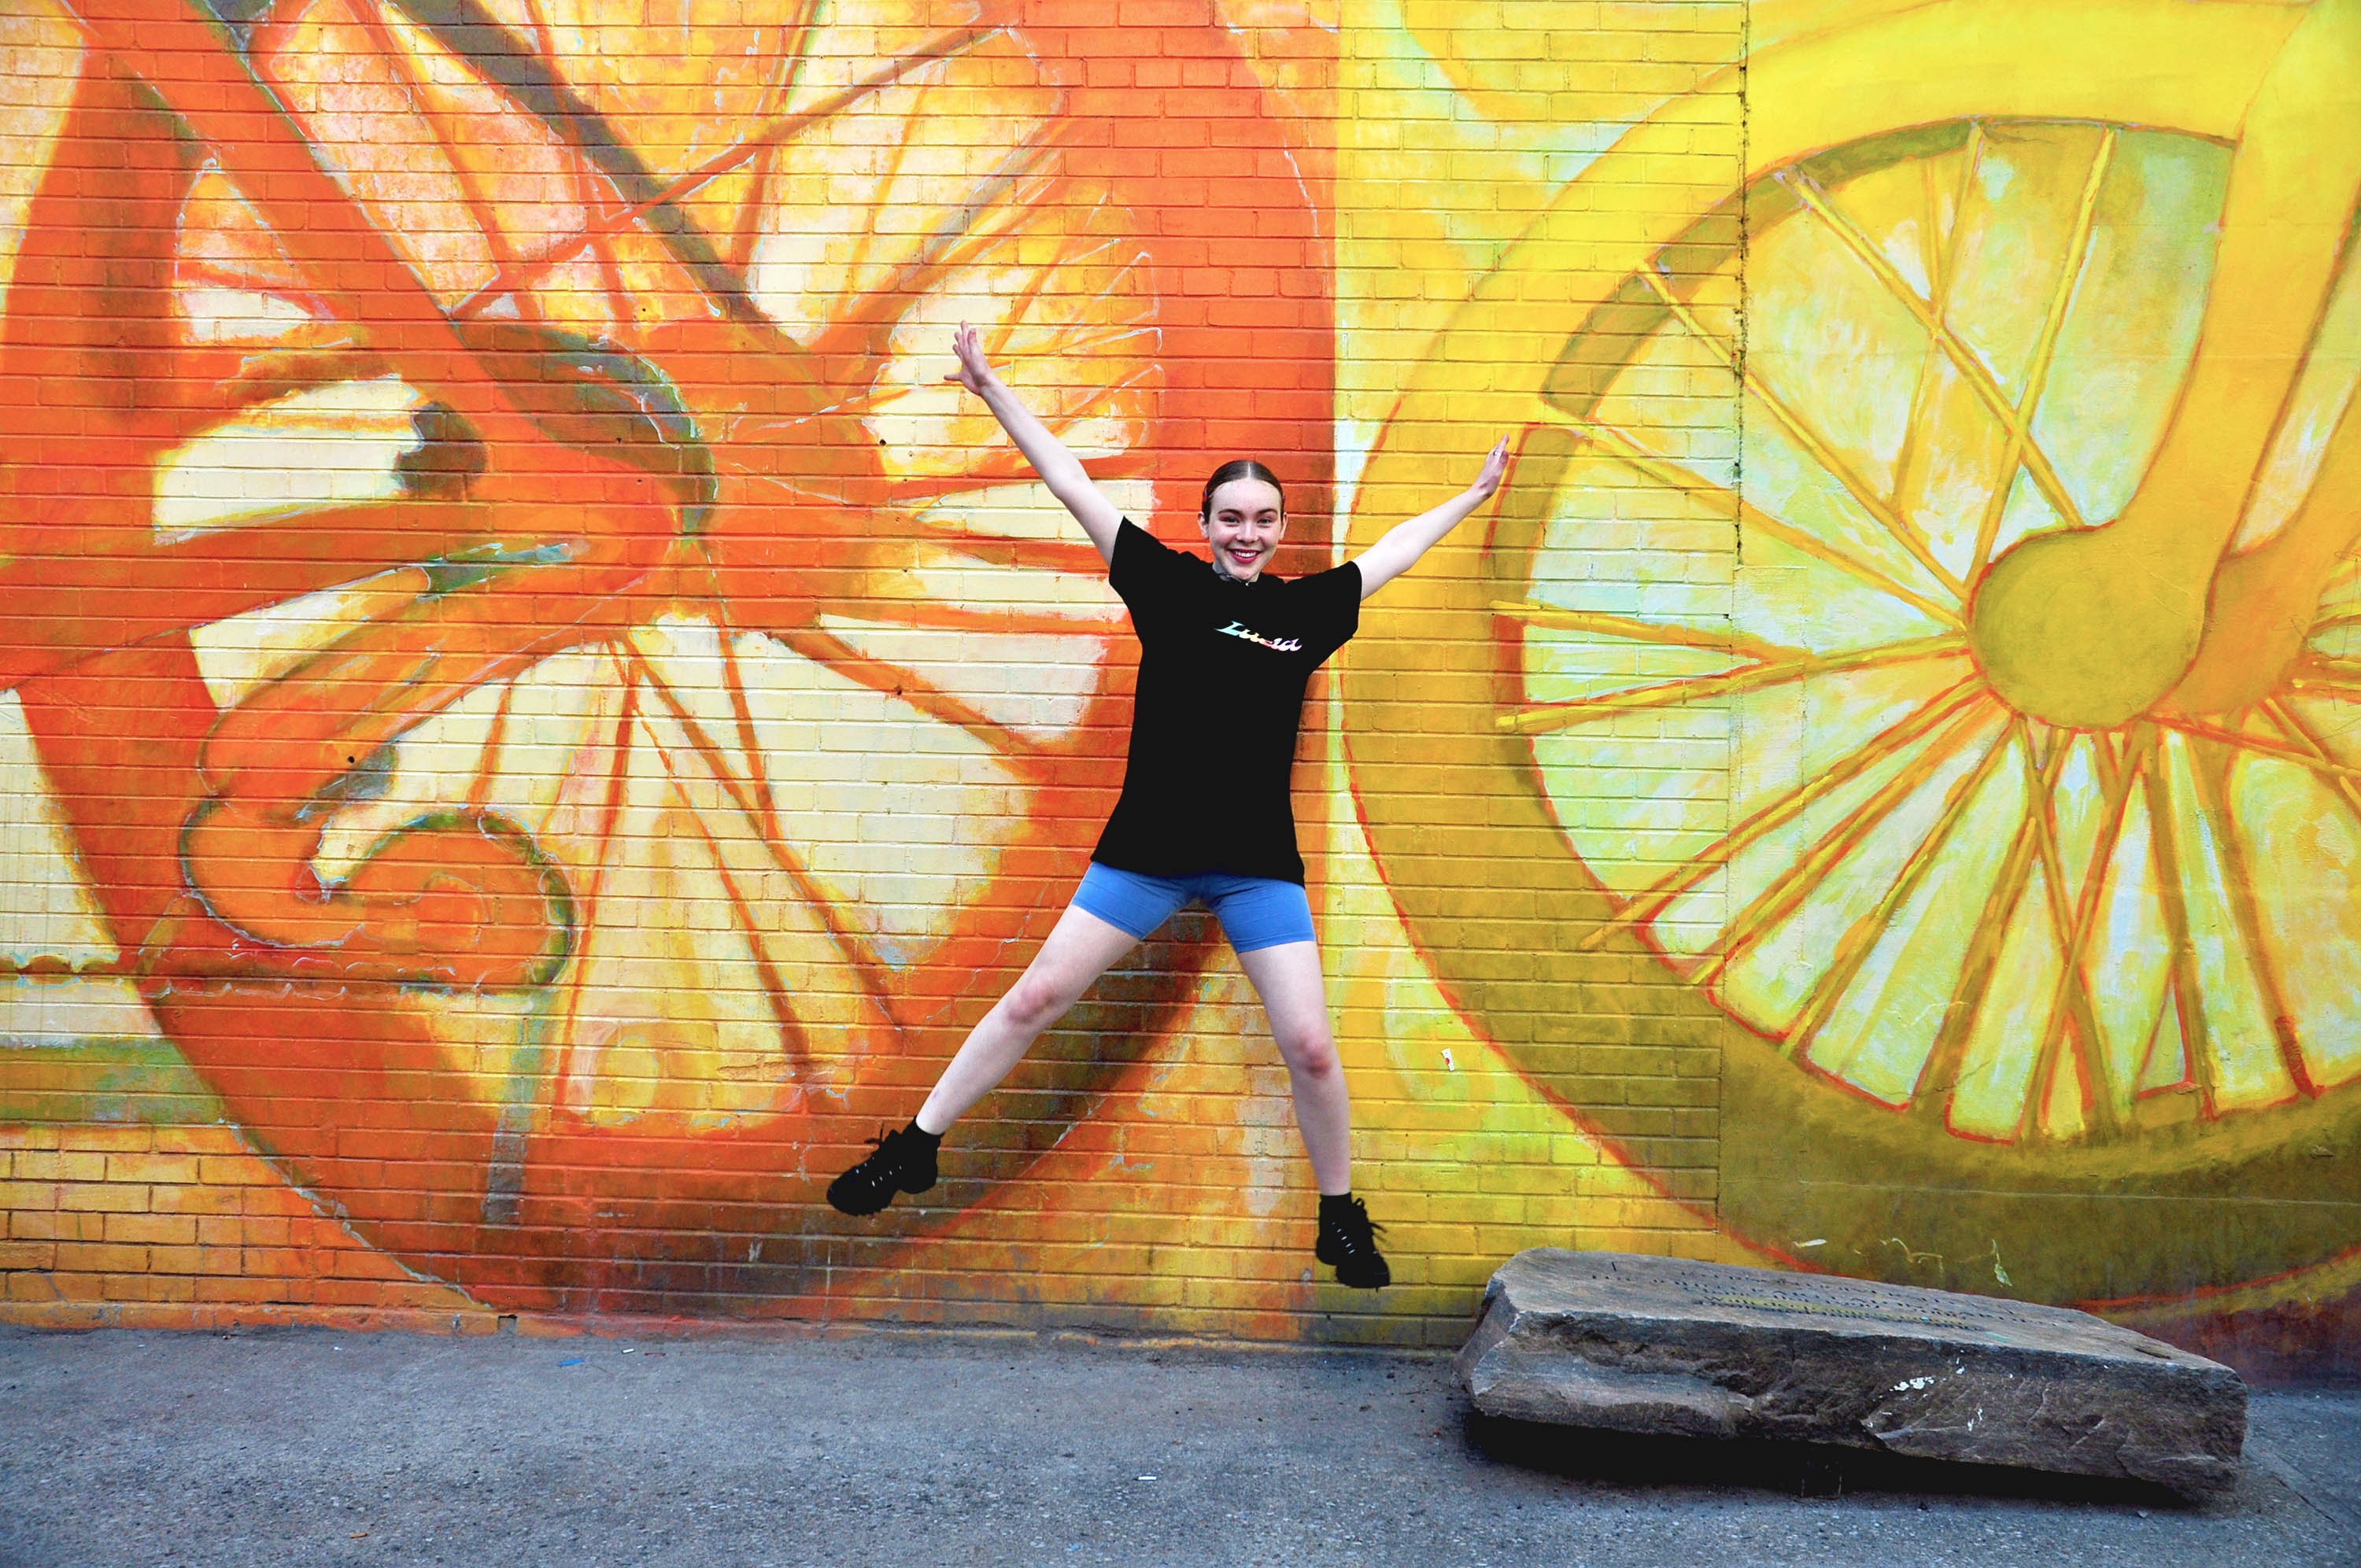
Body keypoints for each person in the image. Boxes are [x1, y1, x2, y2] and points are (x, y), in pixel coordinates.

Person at [828, 323, 1509, 1289]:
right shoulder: (1168, 587)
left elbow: (1391, 553)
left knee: (1311, 1048)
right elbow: (1072, 483)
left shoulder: (1307, 611)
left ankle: (1339, 1216)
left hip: (1253, 865)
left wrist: (1472, 496)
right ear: (1206, 523)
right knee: (1034, 998)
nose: (1247, 532)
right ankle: (917, 1145)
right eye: (1231, 516)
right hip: (1144, 854)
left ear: (1280, 527)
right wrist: (990, 390)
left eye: (1263, 518)